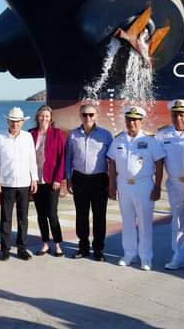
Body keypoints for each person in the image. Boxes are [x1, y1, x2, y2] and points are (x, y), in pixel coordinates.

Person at [108, 106, 164, 271]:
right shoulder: (118, 140)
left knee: (145, 223)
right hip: (124, 185)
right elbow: (112, 163)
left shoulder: (150, 141)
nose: (131, 123)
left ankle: (146, 257)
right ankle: (129, 253)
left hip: (144, 185)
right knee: (127, 222)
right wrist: (112, 185)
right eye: (129, 119)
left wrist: (158, 186)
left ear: (141, 121)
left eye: (135, 120)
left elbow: (159, 163)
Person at [155, 99, 184, 273]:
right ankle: (179, 257)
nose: (178, 118)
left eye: (182, 115)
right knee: (178, 221)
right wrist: (156, 184)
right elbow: (158, 161)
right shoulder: (163, 135)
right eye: (175, 115)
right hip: (174, 184)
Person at [0, 107, 38, 261]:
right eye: (12, 121)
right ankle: (5, 249)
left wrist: (34, 179)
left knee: (23, 218)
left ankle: (22, 248)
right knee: (6, 218)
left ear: (22, 122)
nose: (15, 124)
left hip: (24, 183)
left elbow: (32, 159)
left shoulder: (28, 137)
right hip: (6, 183)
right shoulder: (0, 138)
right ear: (8, 122)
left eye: (18, 122)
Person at [65, 103, 113, 261]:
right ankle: (83, 247)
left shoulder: (106, 135)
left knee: (99, 216)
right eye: (84, 115)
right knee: (81, 215)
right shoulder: (73, 135)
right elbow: (68, 158)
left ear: (96, 115)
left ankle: (98, 249)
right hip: (79, 179)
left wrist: (112, 182)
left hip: (99, 179)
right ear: (80, 116)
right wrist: (68, 179)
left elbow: (112, 160)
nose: (88, 118)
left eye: (91, 114)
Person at [28, 105, 66, 257]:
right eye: (41, 116)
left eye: (47, 116)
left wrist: (58, 179)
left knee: (52, 214)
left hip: (51, 181)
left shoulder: (57, 134)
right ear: (37, 117)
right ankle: (45, 243)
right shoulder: (31, 133)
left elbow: (62, 157)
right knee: (41, 214)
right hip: (36, 180)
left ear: (51, 119)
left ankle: (57, 244)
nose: (44, 118)